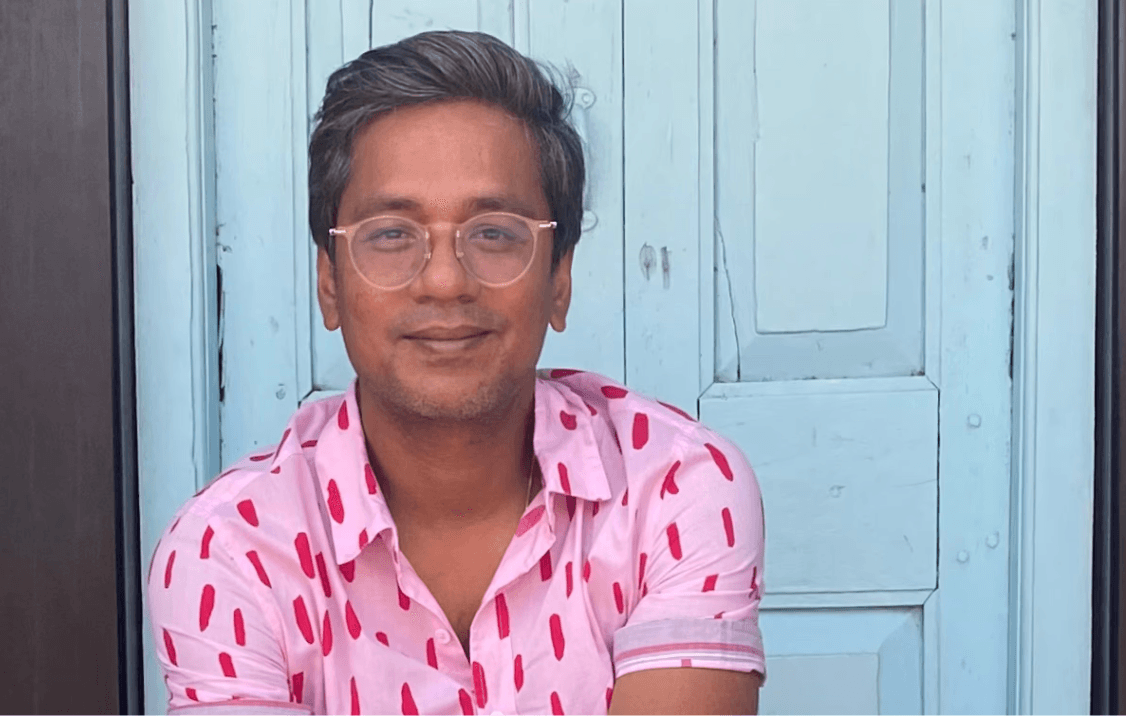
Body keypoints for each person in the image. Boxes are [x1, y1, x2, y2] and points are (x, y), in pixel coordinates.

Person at [147, 29, 766, 715]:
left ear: (559, 278)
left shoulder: (671, 489)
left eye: (495, 233)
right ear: (329, 283)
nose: (444, 281)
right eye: (390, 235)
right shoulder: (231, 548)